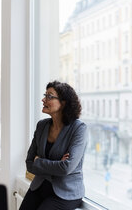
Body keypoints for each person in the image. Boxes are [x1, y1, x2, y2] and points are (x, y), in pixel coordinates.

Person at [19, 80, 88, 210]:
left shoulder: (79, 129)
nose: (43, 100)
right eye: (45, 95)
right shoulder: (42, 125)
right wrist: (57, 164)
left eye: (49, 96)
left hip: (66, 193)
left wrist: (39, 161)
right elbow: (29, 163)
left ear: (63, 103)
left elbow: (66, 168)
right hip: (40, 186)